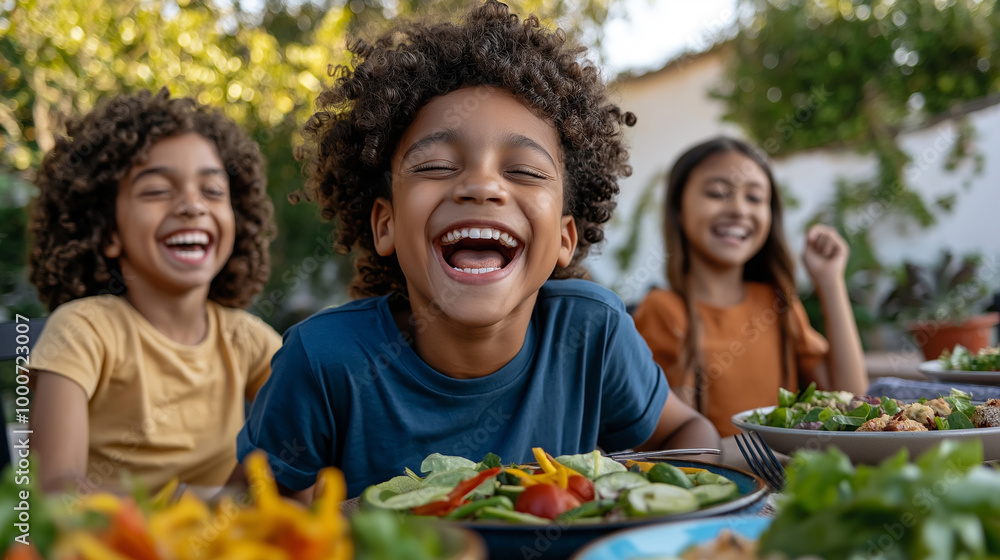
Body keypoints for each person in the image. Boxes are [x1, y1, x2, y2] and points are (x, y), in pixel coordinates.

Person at [237, 0, 719, 500]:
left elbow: (693, 438)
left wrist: (652, 508)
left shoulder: (591, 334)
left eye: (524, 171)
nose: (482, 186)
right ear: (385, 223)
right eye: (437, 165)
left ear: (563, 239)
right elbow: (250, 507)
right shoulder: (322, 359)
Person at [28, 89, 282, 494]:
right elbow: (54, 490)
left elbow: (310, 442)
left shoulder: (248, 340)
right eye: (157, 190)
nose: (191, 205)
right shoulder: (82, 331)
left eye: (213, 191)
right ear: (108, 231)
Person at [632, 137, 868, 437]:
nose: (739, 209)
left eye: (755, 198)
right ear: (679, 207)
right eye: (718, 193)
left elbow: (853, 403)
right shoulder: (663, 311)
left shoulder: (778, 303)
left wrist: (830, 281)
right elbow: (678, 445)